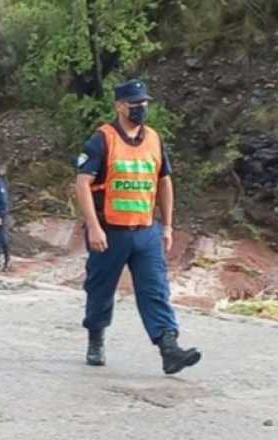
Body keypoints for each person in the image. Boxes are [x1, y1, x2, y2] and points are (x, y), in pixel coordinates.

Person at [74, 79, 201, 375]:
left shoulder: (154, 139)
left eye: (144, 102)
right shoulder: (101, 140)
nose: (141, 108)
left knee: (155, 290)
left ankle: (169, 349)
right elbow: (82, 183)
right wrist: (93, 227)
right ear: (119, 106)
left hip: (146, 232)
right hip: (110, 232)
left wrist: (168, 226)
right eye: (134, 103)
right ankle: (96, 337)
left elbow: (164, 181)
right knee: (100, 291)